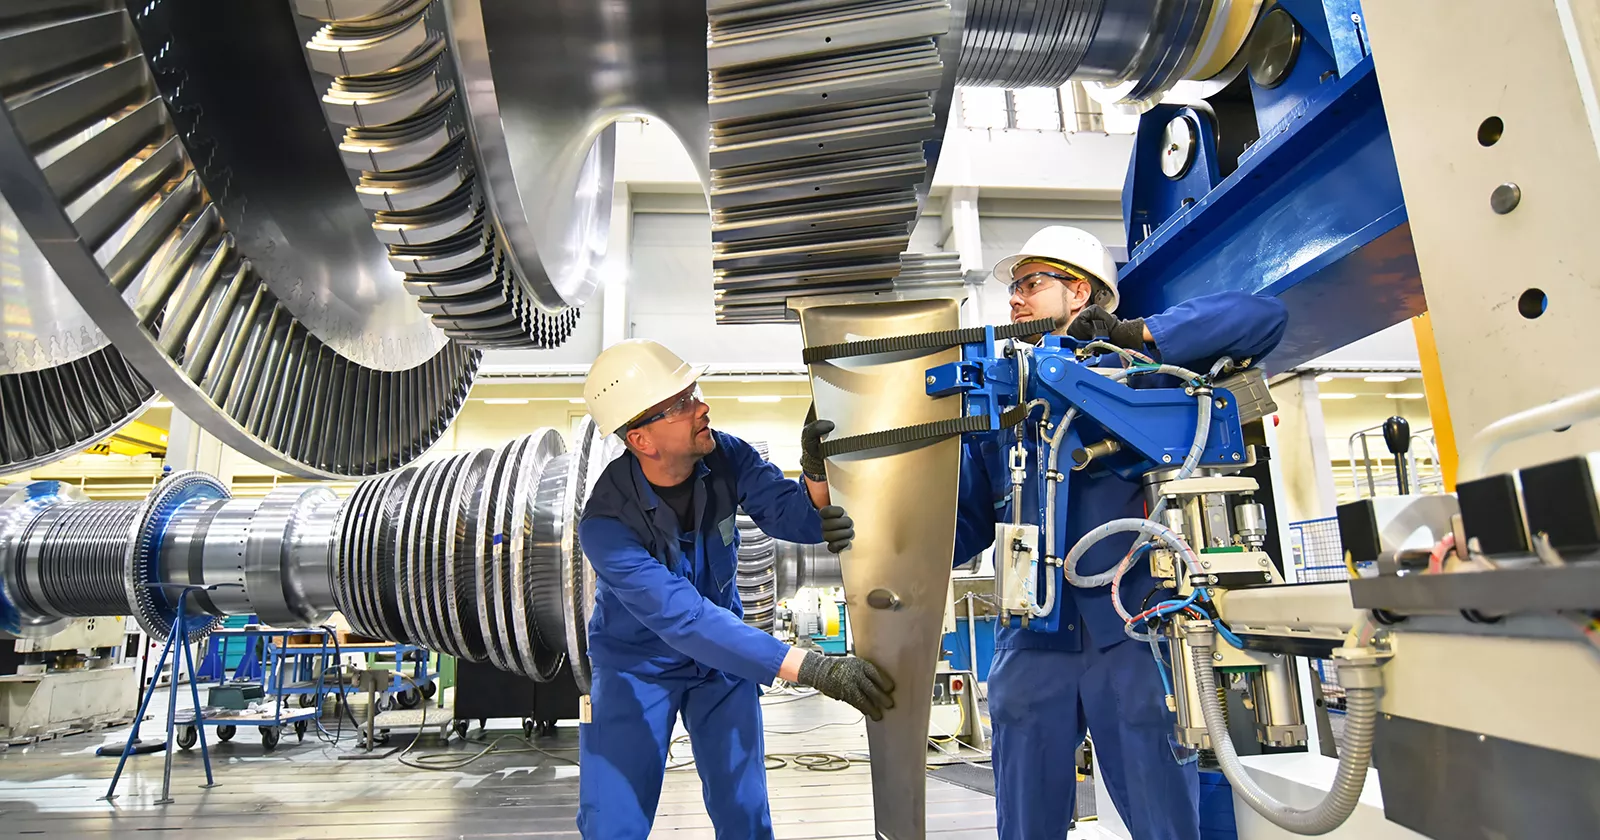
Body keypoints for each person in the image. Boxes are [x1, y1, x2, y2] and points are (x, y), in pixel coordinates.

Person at [955, 226, 1288, 840]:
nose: (1015, 299)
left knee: (1164, 820)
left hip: (1134, 632)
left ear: (1080, 291)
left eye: (1031, 283)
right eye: (1013, 289)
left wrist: (1138, 336)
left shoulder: (1143, 374)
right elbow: (963, 530)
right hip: (1030, 636)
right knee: (1024, 824)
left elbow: (1264, 316)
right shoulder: (1004, 402)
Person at [576, 338, 895, 840]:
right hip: (637, 669)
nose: (701, 407)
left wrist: (817, 472)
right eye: (681, 404)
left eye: (694, 392)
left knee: (745, 813)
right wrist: (812, 668)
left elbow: (791, 515)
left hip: (720, 664)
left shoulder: (726, 455)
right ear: (641, 439)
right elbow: (684, 619)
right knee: (613, 824)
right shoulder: (606, 525)